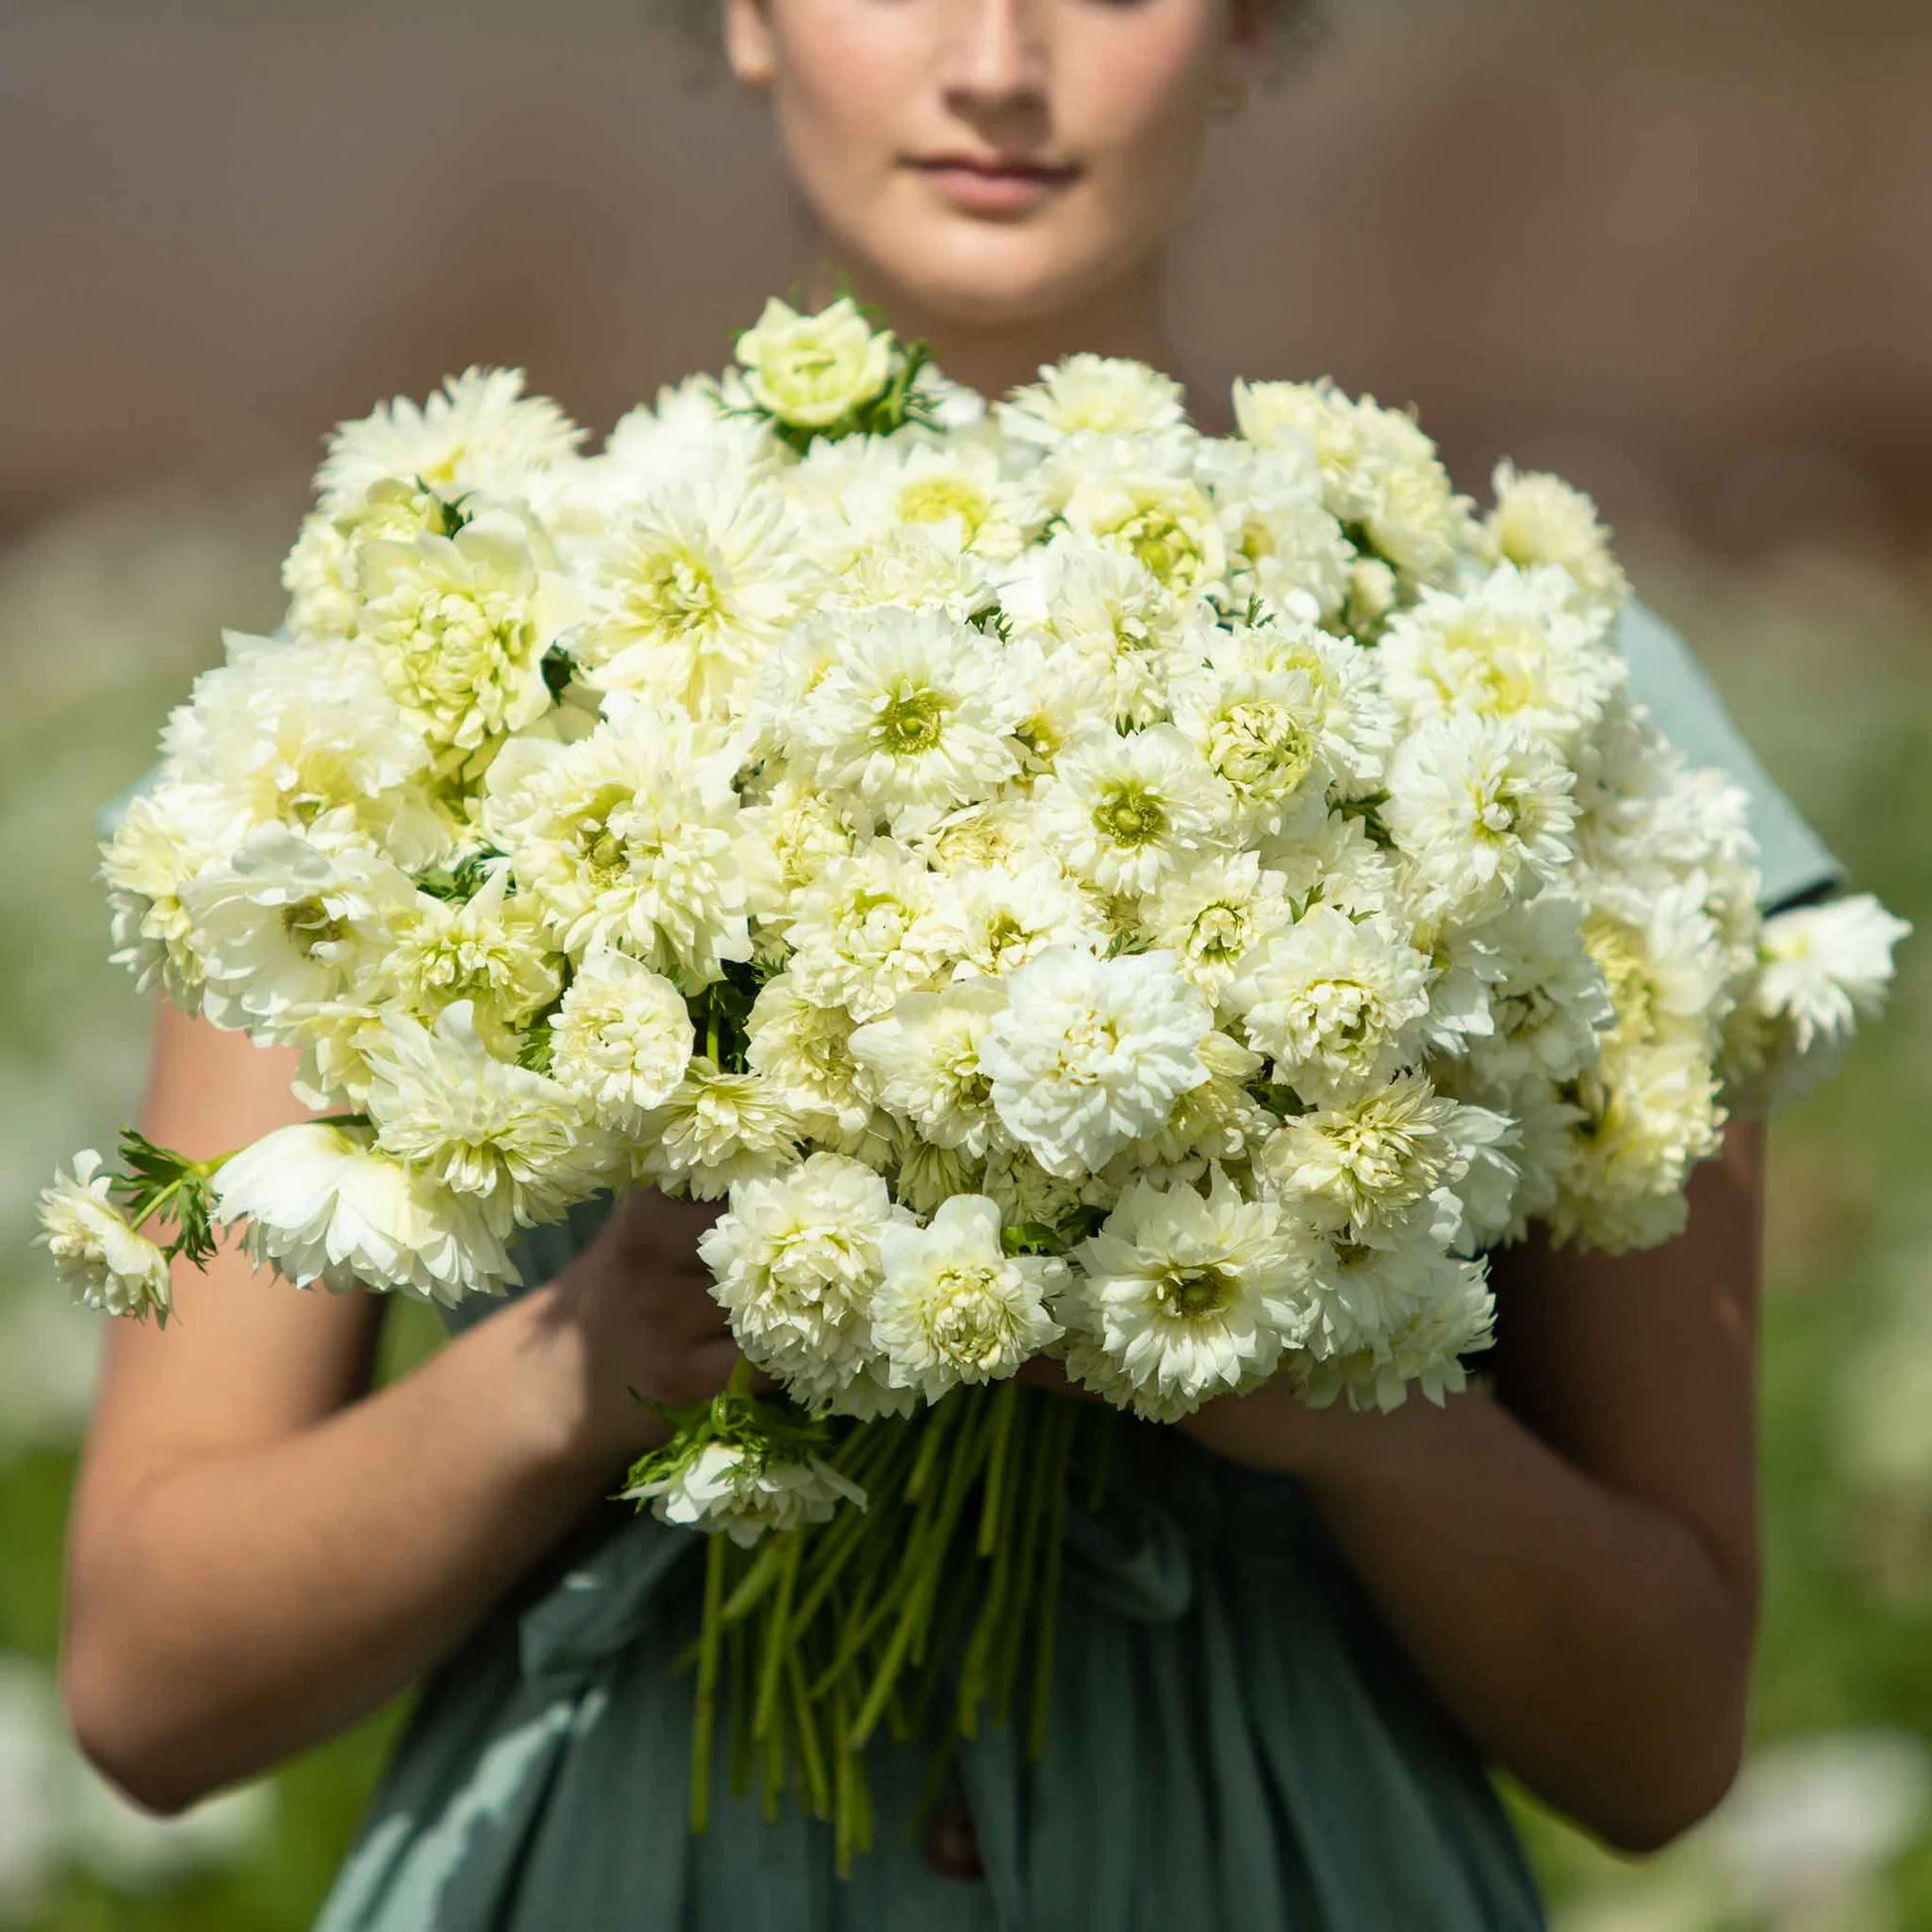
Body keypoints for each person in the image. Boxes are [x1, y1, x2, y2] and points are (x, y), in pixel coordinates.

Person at [61, 2, 1847, 1925]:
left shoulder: (1540, 711)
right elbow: (151, 1680)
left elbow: (1662, 1742)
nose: (998, 60)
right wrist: (594, 1369)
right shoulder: (421, 673)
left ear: (1249, 32)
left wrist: (1312, 1375)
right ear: (745, 20)